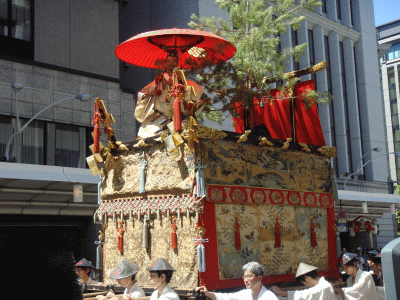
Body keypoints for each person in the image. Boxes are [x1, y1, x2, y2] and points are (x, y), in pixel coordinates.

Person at [134, 50, 205, 139]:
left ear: (178, 63)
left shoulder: (185, 84)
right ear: (165, 63)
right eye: (169, 61)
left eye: (174, 61)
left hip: (179, 121)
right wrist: (149, 94)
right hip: (159, 121)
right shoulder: (157, 82)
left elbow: (193, 104)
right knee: (147, 137)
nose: (171, 64)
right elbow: (144, 96)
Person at [196, 261, 278, 300]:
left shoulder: (269, 297)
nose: (246, 280)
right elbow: (226, 297)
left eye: (249, 276)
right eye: (244, 277)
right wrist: (208, 293)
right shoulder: (244, 294)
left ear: (259, 278)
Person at [269, 262, 335, 299]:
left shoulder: (323, 286)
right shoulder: (324, 285)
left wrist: (280, 292)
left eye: (304, 283)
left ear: (307, 278)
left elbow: (305, 294)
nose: (306, 286)